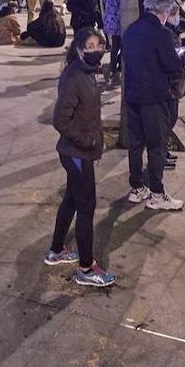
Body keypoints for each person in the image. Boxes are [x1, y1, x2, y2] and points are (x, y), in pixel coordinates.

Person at [46, 27, 118, 288]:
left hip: (77, 152)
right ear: (78, 50)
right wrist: (88, 141)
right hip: (76, 152)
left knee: (72, 199)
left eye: (99, 45)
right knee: (86, 206)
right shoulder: (75, 76)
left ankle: (56, 250)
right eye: (90, 46)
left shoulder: (87, 73)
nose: (96, 50)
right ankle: (87, 268)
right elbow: (60, 119)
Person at [120, 0, 185, 210]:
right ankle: (157, 194)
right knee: (157, 146)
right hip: (154, 98)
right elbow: (172, 66)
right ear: (164, 11)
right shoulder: (163, 33)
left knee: (136, 144)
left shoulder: (131, 29)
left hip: (132, 95)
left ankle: (137, 188)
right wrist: (182, 58)